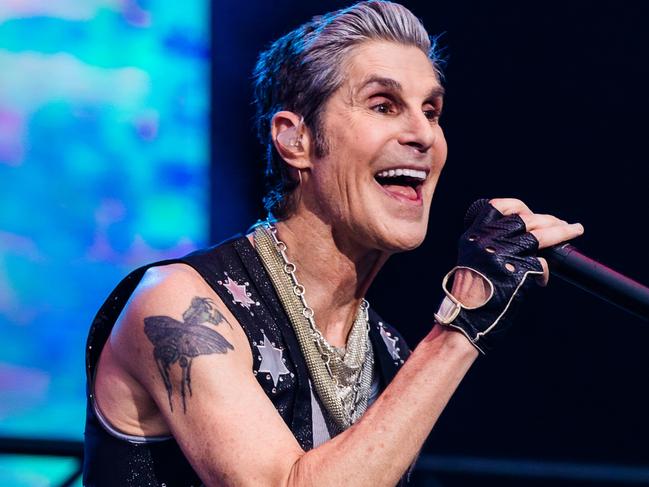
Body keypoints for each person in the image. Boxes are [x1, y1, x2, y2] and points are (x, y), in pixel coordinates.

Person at [82, 1, 584, 485]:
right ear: (295, 140)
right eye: (384, 105)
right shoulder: (177, 302)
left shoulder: (387, 352)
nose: (422, 134)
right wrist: (463, 323)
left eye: (431, 111)